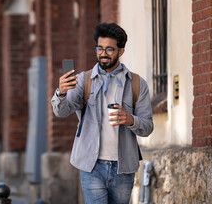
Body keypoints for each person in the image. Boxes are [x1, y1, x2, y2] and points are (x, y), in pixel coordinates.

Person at [50, 23, 154, 204]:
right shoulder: (84, 80)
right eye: (99, 48)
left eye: (109, 49)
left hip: (123, 168)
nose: (103, 53)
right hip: (92, 166)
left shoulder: (137, 84)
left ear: (121, 51)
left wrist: (130, 120)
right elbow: (61, 111)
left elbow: (147, 127)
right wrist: (61, 93)